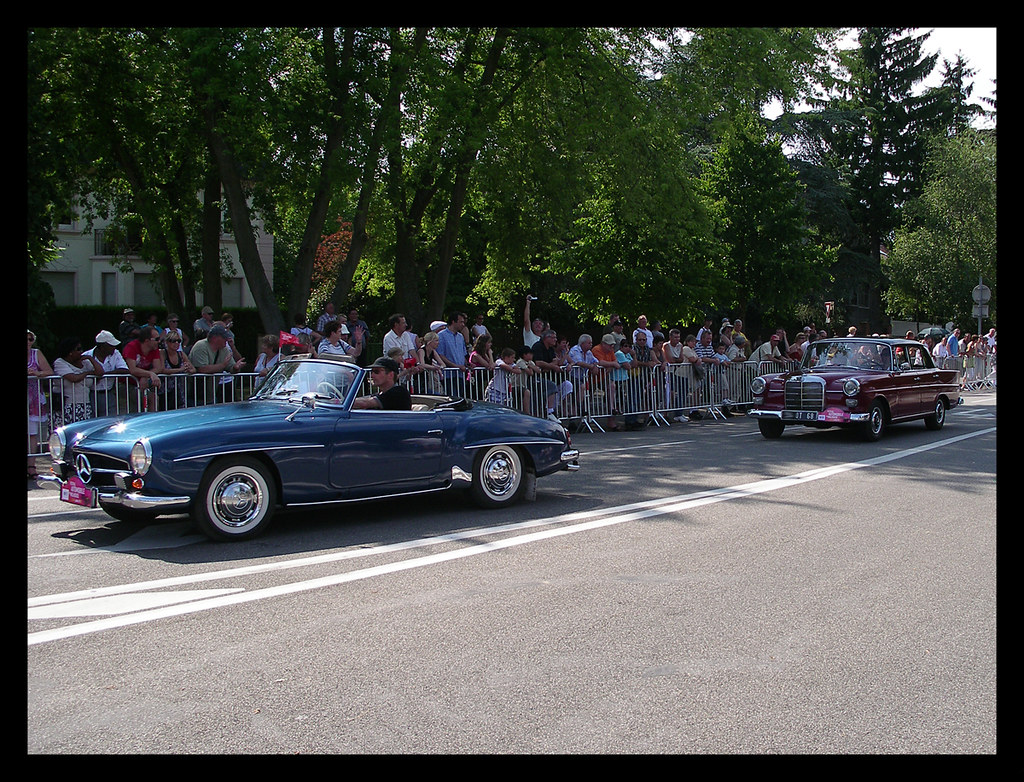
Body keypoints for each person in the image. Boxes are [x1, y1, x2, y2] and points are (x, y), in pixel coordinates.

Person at [53, 336, 104, 424]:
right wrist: (87, 373)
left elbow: (100, 373)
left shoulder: (85, 362)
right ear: (70, 352)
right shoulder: (60, 362)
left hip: (85, 404)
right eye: (78, 349)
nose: (81, 352)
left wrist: (90, 359)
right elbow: (73, 378)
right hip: (67, 405)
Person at [190, 324, 247, 403]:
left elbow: (231, 368)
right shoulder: (200, 346)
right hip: (195, 396)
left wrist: (236, 368)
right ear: (214, 338)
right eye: (224, 337)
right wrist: (222, 365)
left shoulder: (224, 349)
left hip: (211, 395)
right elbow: (202, 369)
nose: (226, 339)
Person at [83, 329, 130, 417]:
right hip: (91, 394)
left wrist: (103, 375)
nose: (114, 347)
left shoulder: (115, 353)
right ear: (103, 346)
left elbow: (125, 369)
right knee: (92, 420)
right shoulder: (86, 356)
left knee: (110, 421)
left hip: (109, 393)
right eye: (111, 345)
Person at [27, 329, 53, 478]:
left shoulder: (36, 354)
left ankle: (31, 466)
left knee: (32, 433)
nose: (28, 342)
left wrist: (37, 373)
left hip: (33, 399)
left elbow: (48, 370)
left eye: (31, 339)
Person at [122, 325, 164, 411]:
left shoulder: (154, 348)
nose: (159, 341)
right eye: (156, 339)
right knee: (134, 406)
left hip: (141, 384)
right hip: (125, 384)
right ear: (147, 341)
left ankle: (152, 421)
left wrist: (145, 376)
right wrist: (150, 373)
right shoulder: (131, 347)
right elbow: (132, 369)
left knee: (153, 398)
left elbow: (158, 367)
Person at [158, 329, 195, 409]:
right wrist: (180, 370)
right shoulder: (162, 353)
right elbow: (162, 370)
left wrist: (188, 369)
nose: (176, 343)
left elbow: (193, 369)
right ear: (167, 342)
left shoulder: (181, 354)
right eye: (173, 341)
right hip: (165, 391)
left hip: (179, 391)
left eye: (178, 341)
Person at [437, 312, 469, 398]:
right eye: (461, 322)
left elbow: (463, 354)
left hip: (460, 375)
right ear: (453, 322)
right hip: (448, 374)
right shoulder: (441, 335)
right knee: (451, 397)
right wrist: (455, 366)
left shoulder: (460, 337)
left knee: (460, 397)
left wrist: (468, 364)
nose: (463, 324)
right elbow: (440, 355)